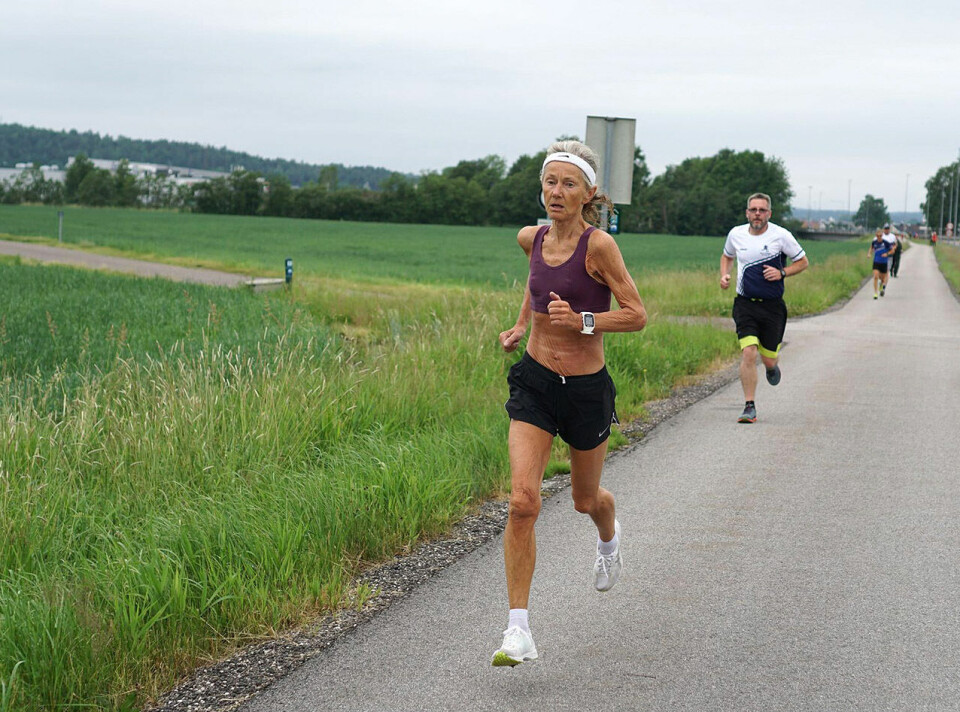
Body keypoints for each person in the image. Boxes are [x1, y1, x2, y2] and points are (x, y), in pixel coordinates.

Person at [494, 140, 647, 666]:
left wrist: (582, 320)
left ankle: (609, 535)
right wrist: (521, 325)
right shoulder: (529, 238)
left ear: (588, 194)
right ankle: (519, 630)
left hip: (584, 391)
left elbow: (636, 313)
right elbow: (537, 286)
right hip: (535, 383)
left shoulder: (599, 246)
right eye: (550, 182)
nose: (556, 192)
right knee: (522, 502)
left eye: (568, 184)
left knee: (586, 500)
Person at [720, 193, 809, 423]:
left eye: (761, 210)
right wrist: (725, 275)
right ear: (747, 212)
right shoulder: (736, 234)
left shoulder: (781, 236)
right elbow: (727, 255)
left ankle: (771, 366)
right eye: (753, 209)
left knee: (769, 358)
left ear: (769, 213)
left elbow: (803, 262)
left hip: (773, 308)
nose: (757, 214)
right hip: (745, 304)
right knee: (749, 351)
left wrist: (782, 272)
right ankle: (749, 406)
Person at [870, 227, 893, 298]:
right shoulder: (874, 242)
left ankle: (881, 286)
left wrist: (887, 254)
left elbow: (892, 251)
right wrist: (869, 253)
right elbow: (871, 248)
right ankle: (875, 293)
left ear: (882, 235)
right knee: (876, 276)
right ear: (876, 236)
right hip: (876, 261)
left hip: (884, 262)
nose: (879, 237)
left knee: (883, 279)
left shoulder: (886, 243)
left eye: (880, 236)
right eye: (877, 236)